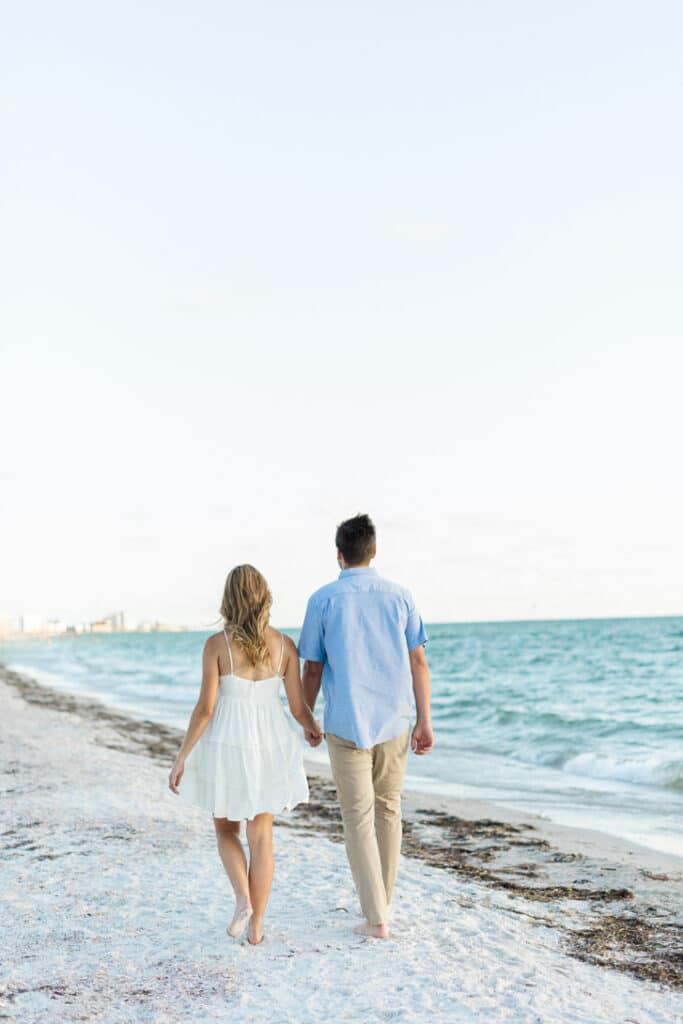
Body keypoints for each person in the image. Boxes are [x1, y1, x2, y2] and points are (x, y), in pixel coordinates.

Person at [169, 564, 321, 945]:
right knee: (262, 834)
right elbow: (298, 706)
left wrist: (182, 756)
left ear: (229, 599)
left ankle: (242, 900)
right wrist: (312, 728)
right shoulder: (286, 645)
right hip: (270, 743)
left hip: (227, 742)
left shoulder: (216, 646)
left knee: (225, 829)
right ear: (265, 596)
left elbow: (205, 709)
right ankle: (257, 928)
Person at [298, 514, 433, 939]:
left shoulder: (322, 600)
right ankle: (381, 907)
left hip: (345, 722)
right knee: (388, 809)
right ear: (373, 552)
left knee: (357, 817)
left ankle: (377, 917)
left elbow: (313, 668)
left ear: (339, 554)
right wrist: (425, 721)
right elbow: (418, 662)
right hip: (394, 721)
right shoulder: (400, 597)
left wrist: (306, 715)